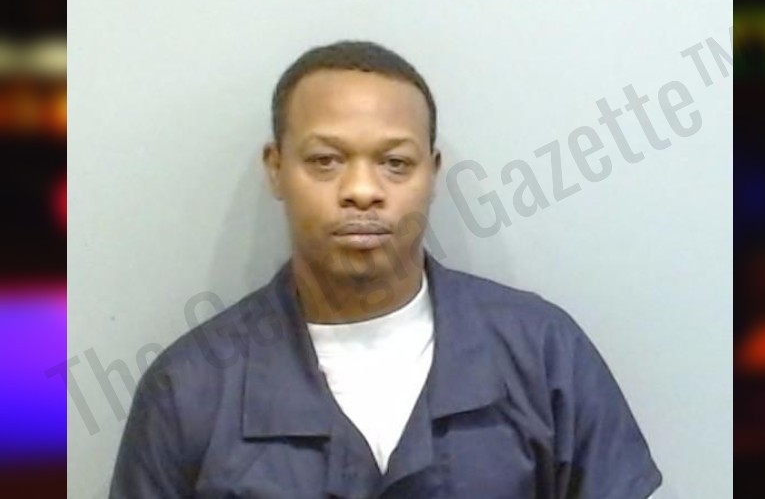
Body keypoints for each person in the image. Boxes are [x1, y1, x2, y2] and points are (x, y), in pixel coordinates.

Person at [110, 40, 662, 498]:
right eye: (325, 160)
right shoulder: (189, 389)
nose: (362, 190)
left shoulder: (543, 354)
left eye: (395, 163)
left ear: (433, 172)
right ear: (276, 169)